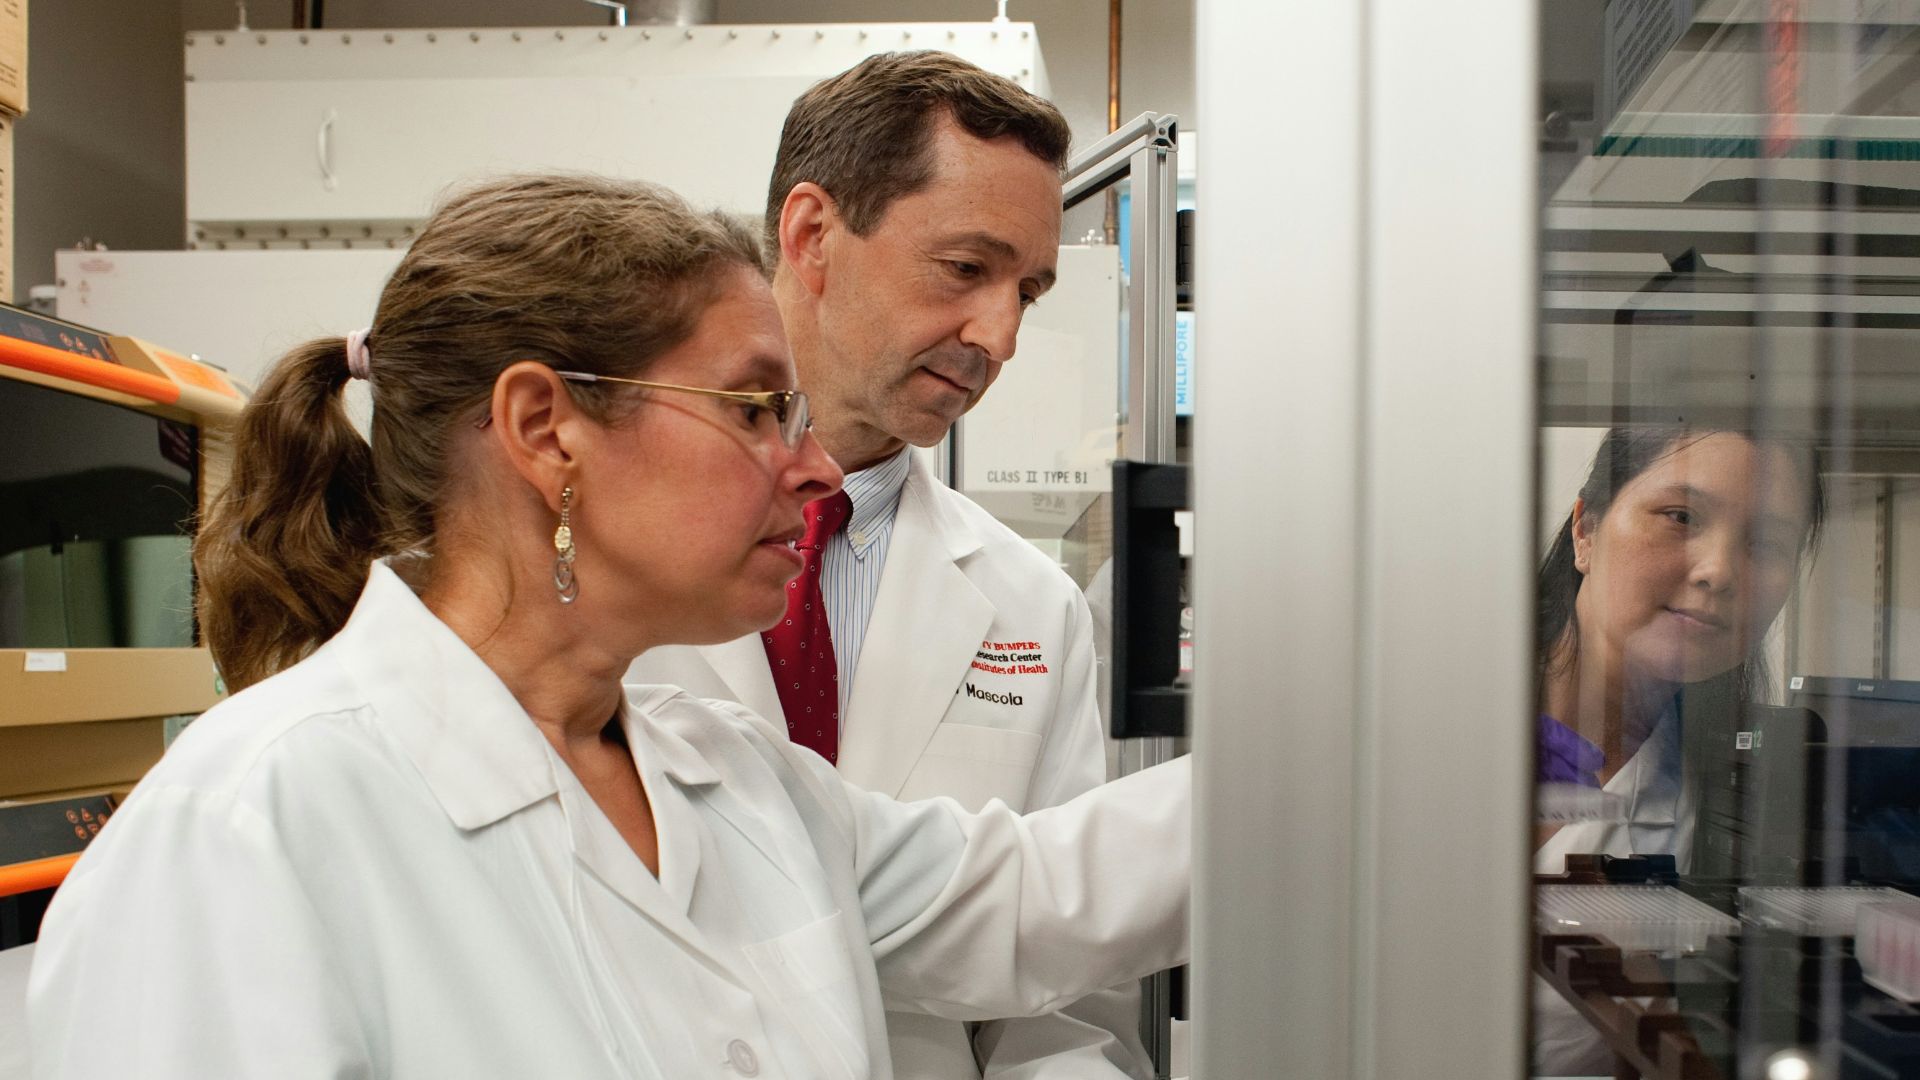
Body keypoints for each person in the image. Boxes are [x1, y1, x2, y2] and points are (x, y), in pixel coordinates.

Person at [25, 174, 1190, 1080]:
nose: (815, 464)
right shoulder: (247, 827)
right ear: (544, 428)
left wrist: (1348, 710)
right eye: (754, 409)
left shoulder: (738, 780)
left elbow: (1031, 894)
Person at [626, 52, 1150, 1080]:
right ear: (814, 235)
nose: (997, 335)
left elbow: (1067, 995)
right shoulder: (606, 551)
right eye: (965, 268)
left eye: (1028, 292)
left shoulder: (1029, 607)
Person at [1530, 424, 1824, 1074]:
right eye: (1680, 516)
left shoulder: (1723, 803)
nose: (1718, 571)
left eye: (1766, 543)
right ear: (1586, 531)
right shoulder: (1438, 727)